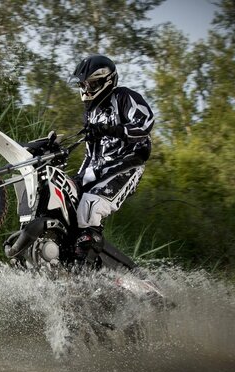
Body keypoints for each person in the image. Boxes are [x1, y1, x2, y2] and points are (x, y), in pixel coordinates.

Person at [68, 54, 154, 266]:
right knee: (65, 195)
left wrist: (112, 129)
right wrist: (78, 180)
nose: (87, 90)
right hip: (99, 169)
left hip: (128, 165)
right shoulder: (90, 114)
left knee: (91, 205)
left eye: (92, 84)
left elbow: (145, 123)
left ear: (107, 81)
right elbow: (90, 154)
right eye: (84, 85)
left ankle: (86, 269)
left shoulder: (124, 97)